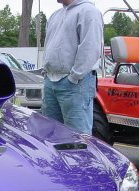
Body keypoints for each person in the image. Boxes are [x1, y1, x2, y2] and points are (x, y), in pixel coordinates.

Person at [41, 0, 103, 135]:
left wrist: (74, 77)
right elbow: (48, 44)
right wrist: (45, 72)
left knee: (77, 138)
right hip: (51, 80)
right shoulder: (55, 15)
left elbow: (90, 48)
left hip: (76, 84)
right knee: (49, 135)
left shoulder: (89, 11)